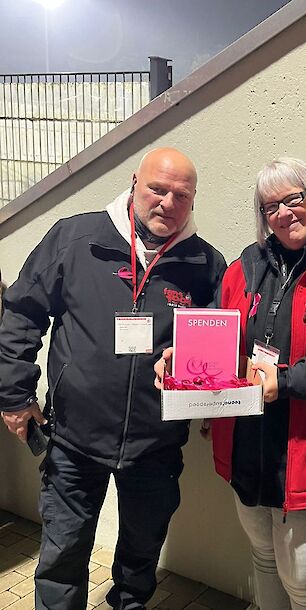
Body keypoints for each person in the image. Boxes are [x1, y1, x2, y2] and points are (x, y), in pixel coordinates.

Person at [0, 148, 227, 610]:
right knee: (62, 553)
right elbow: (22, 314)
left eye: (181, 195)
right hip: (74, 438)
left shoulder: (204, 264)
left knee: (142, 555)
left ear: (194, 199)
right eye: (157, 189)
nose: (167, 202)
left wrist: (211, 406)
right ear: (134, 183)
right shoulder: (76, 238)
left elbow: (215, 344)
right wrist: (15, 395)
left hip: (156, 443)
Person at [156, 157, 306, 610]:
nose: (285, 212)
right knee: (264, 557)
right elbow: (218, 335)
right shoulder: (245, 267)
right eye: (271, 205)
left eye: (295, 198)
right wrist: (186, 358)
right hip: (249, 446)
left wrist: (287, 381)